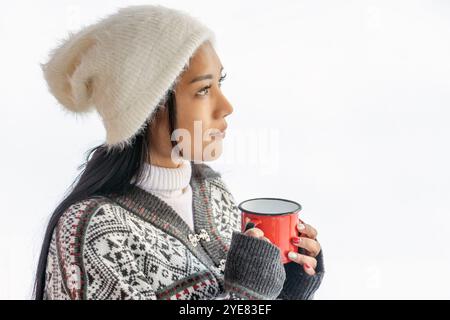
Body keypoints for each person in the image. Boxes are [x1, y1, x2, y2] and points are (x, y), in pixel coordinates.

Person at [34, 4, 325, 300]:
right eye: (203, 90)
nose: (226, 106)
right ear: (146, 107)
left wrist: (289, 286)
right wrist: (250, 294)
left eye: (219, 83)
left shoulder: (211, 191)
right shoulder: (93, 231)